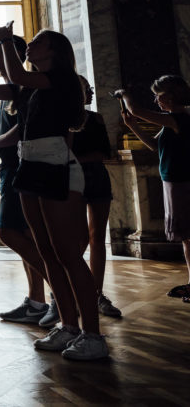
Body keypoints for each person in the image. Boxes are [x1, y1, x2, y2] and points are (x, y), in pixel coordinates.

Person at [0, 25, 107, 360]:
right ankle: (68, 326)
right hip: (29, 163)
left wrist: (6, 42)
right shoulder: (34, 87)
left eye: (36, 42)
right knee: (47, 252)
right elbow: (3, 85)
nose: (31, 45)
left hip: (56, 165)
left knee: (67, 253)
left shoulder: (62, 78)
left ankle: (93, 335)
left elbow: (16, 73)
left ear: (53, 51)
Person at [0, 35, 53, 327]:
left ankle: (60, 291)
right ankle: (36, 301)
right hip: (11, 165)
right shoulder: (11, 91)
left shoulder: (29, 87)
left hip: (24, 168)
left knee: (8, 233)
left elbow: (24, 128)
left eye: (0, 57)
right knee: (25, 236)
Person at [117, 75, 190, 299]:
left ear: (172, 95)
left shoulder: (181, 118)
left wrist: (126, 96)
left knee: (189, 235)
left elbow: (137, 110)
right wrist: (133, 126)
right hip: (173, 181)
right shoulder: (171, 120)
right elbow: (154, 146)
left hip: (183, 182)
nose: (157, 101)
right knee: (187, 237)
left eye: (159, 96)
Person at [72, 75, 122, 318]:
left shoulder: (96, 118)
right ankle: (72, 288)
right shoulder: (63, 120)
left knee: (97, 238)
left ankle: (97, 293)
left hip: (96, 177)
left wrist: (80, 158)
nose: (91, 93)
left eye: (91, 88)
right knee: (79, 238)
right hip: (75, 179)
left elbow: (104, 152)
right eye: (86, 89)